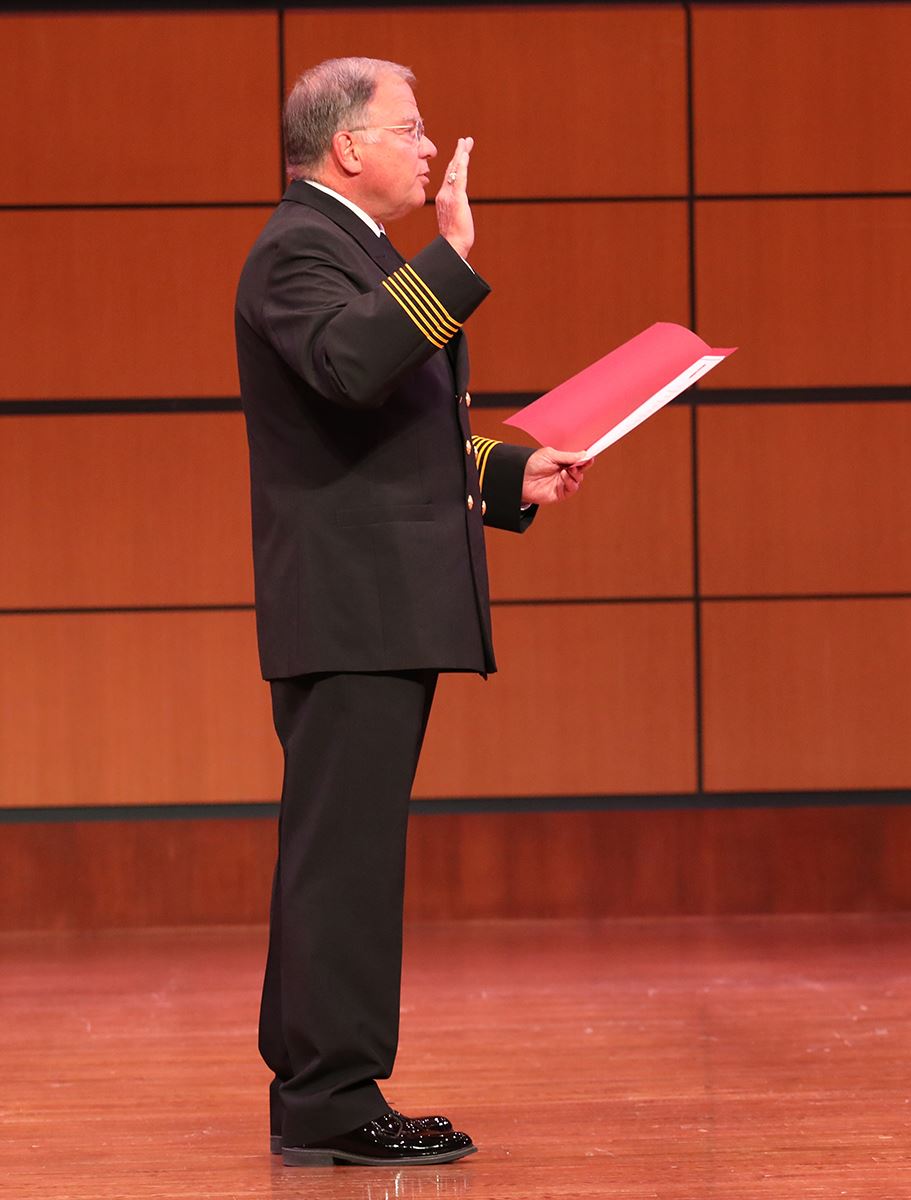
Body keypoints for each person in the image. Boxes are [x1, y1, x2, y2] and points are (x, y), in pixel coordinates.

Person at [235, 56, 589, 1167]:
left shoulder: (348, 249)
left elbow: (380, 436)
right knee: (343, 855)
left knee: (336, 850)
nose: (429, 146)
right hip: (350, 609)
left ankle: (316, 1085)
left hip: (369, 604)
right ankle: (333, 1099)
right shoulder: (299, 245)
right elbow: (348, 368)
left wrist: (499, 478)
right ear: (347, 147)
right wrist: (453, 259)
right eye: (411, 128)